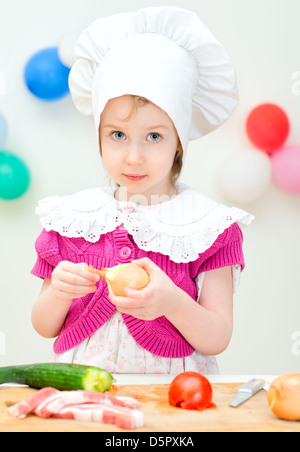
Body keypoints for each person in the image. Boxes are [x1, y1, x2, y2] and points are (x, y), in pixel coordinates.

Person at [31, 6, 254, 374]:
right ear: (99, 136)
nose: (133, 157)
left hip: (174, 396)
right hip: (86, 395)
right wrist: (57, 292)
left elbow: (217, 336)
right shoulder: (70, 220)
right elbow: (44, 326)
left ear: (179, 141)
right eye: (118, 135)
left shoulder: (211, 227)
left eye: (154, 136)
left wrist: (172, 302)